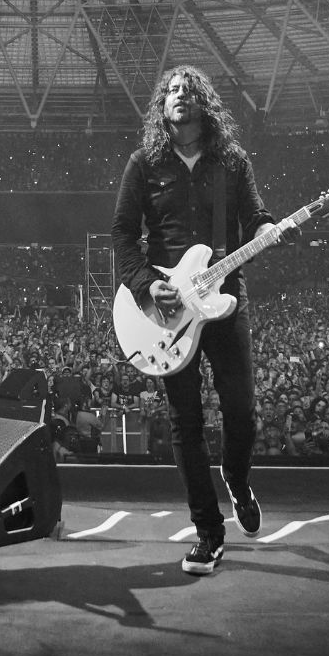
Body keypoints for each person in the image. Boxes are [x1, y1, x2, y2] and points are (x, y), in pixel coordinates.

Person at [112, 64, 280, 575]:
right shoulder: (144, 164)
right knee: (186, 424)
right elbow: (122, 233)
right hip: (166, 308)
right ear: (163, 106)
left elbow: (254, 218)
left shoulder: (231, 161)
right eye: (171, 90)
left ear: (204, 102)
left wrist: (271, 227)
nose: (179, 95)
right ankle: (209, 531)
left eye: (188, 89)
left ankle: (236, 475)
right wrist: (146, 284)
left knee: (242, 411)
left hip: (225, 299)